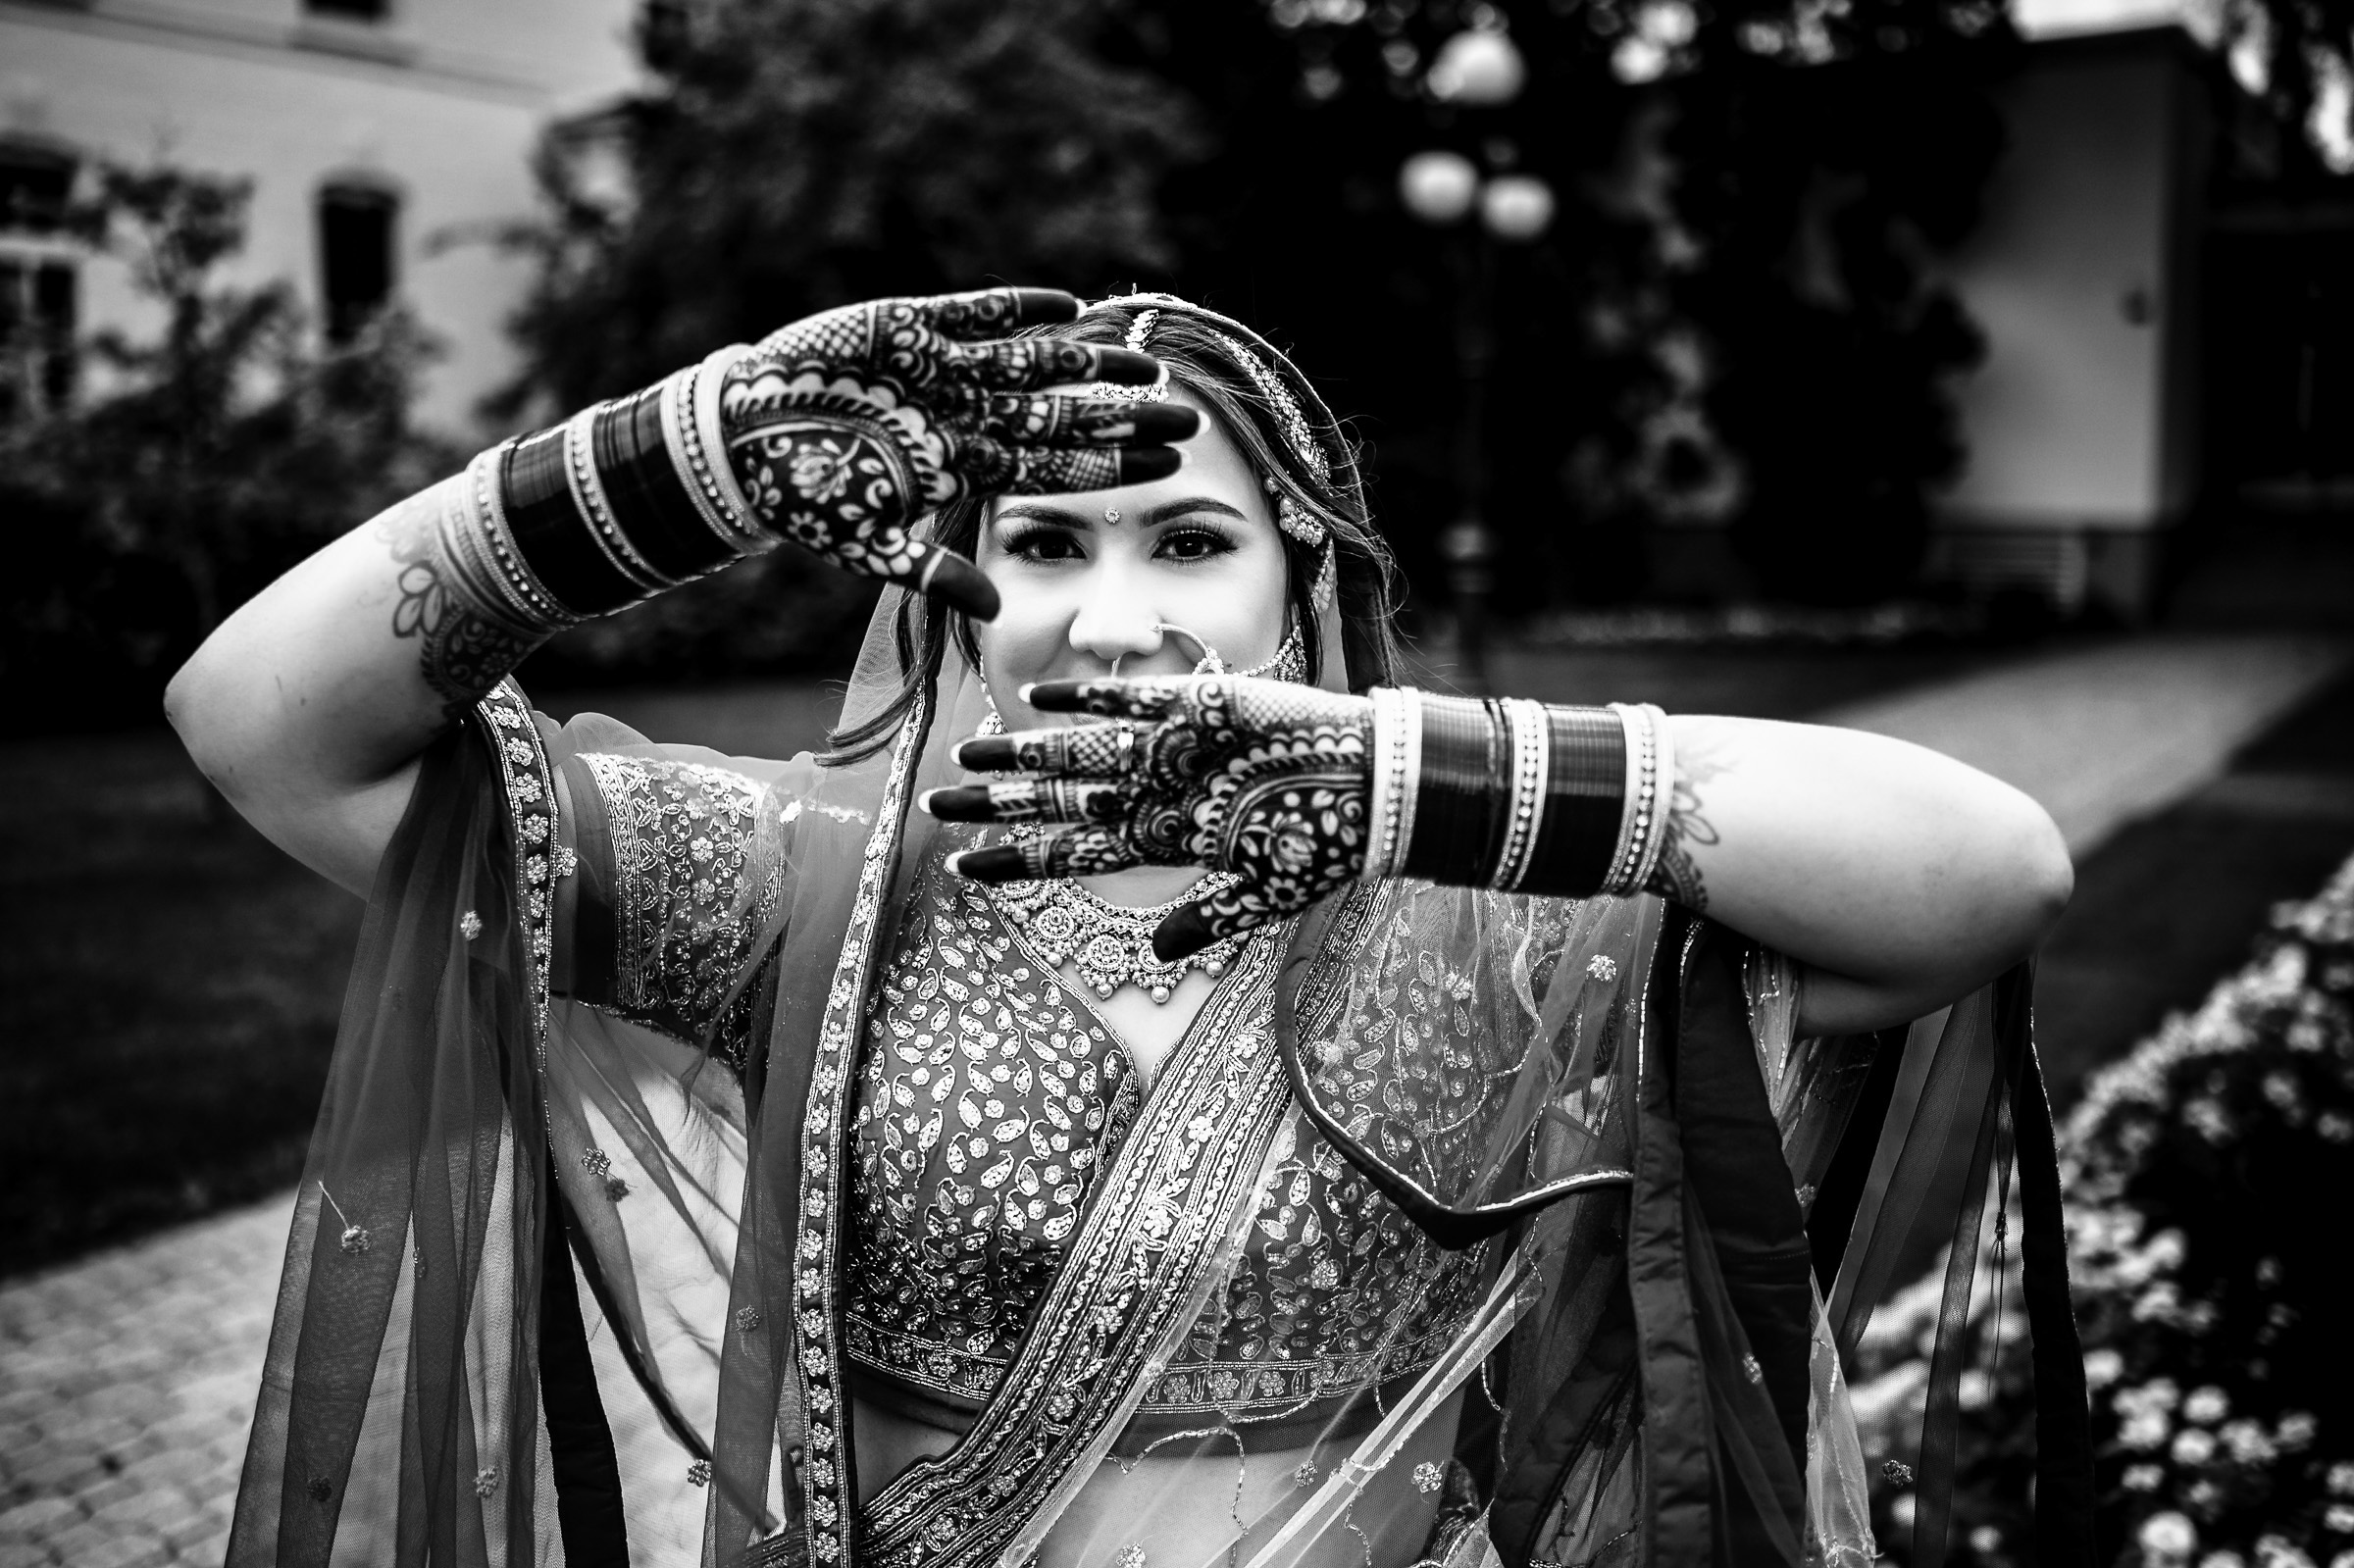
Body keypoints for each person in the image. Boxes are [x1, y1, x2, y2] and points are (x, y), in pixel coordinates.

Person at [168, 288, 2083, 1568]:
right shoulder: (795, 883)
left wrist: (1425, 781)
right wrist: (687, 454)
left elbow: (1993, 869)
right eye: (1044, 537)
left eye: (1186, 537)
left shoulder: (1499, 911)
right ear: (950, 575)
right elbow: (262, 724)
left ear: (1298, 574)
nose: (1117, 614)